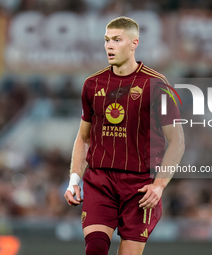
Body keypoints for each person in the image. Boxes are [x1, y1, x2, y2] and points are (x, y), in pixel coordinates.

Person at [64, 16, 185, 255]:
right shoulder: (92, 84)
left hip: (140, 186)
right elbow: (84, 138)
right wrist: (74, 179)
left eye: (117, 40)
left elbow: (178, 141)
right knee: (95, 248)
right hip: (101, 181)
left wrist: (159, 185)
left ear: (134, 43)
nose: (109, 46)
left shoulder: (156, 85)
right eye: (107, 40)